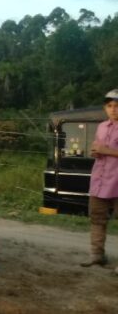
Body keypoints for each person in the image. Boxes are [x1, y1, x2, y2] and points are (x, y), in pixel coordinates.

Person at [81, 89, 118, 271]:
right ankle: (97, 255)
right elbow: (98, 148)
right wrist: (95, 151)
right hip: (100, 180)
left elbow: (105, 150)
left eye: (117, 106)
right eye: (110, 106)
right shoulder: (102, 127)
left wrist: (106, 151)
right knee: (97, 218)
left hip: (117, 181)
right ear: (105, 108)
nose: (113, 109)